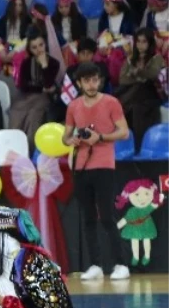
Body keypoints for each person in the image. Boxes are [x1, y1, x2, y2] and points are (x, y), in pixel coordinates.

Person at [62, 62, 130, 281]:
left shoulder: (111, 102)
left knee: (108, 216)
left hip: (104, 165)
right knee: (88, 217)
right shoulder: (73, 106)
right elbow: (65, 135)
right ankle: (95, 265)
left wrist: (100, 137)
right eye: (86, 80)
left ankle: (121, 263)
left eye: (94, 79)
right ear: (80, 83)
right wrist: (70, 139)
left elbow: (124, 132)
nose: (91, 84)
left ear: (99, 80)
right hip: (80, 166)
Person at [117, 28, 165, 154]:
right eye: (138, 41)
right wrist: (139, 76)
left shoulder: (157, 58)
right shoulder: (131, 58)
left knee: (140, 92)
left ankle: (139, 149)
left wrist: (136, 73)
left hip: (152, 95)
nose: (140, 45)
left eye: (144, 42)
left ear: (150, 43)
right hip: (135, 96)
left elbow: (152, 74)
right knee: (137, 95)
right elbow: (123, 79)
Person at [11, 34, 61, 148]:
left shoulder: (54, 63)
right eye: (34, 47)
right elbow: (23, 85)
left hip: (44, 97)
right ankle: (14, 147)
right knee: (16, 112)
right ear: (30, 49)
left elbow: (49, 83)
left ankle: (30, 149)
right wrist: (41, 88)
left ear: (45, 45)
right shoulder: (26, 63)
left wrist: (44, 65)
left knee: (33, 116)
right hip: (26, 96)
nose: (38, 49)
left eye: (41, 45)